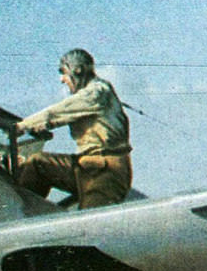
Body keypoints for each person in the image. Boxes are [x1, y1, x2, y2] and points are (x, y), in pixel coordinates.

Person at [15, 49, 132, 209]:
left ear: (77, 71)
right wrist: (38, 126)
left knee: (91, 226)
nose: (62, 80)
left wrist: (21, 126)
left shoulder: (97, 92)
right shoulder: (91, 94)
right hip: (86, 164)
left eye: (64, 73)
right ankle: (22, 213)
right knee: (37, 163)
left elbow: (59, 112)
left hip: (105, 171)